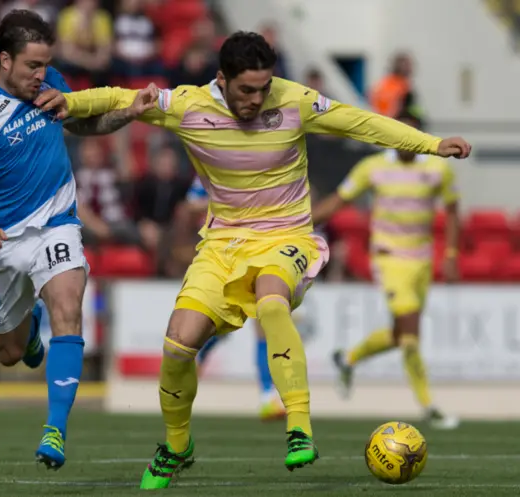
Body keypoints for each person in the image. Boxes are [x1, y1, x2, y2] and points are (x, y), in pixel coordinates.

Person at [34, 31, 472, 489]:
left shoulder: (295, 101)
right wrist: (69, 102)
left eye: (264, 88)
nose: (257, 99)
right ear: (221, 80)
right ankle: (177, 446)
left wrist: (431, 144)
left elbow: (360, 122)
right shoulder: (187, 104)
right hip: (223, 244)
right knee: (177, 345)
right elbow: (119, 96)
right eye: (247, 90)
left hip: (288, 236)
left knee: (271, 300)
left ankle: (298, 425)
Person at [0, 9, 156, 470]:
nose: (42, 76)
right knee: (11, 353)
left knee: (68, 308)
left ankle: (55, 429)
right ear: (4, 59)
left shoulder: (49, 85)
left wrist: (128, 112)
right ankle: (28, 330)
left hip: (57, 222)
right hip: (0, 239)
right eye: (32, 67)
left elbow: (81, 124)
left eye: (45, 66)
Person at [312, 111, 461, 430]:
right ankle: (428, 406)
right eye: (399, 133)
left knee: (400, 334)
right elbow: (339, 200)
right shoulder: (373, 167)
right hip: (389, 259)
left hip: (421, 260)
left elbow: (451, 211)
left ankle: (347, 358)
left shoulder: (437, 168)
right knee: (410, 336)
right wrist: (302, 221)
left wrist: (450, 253)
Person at [188, 176, 285, 421]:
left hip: (257, 249)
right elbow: (191, 204)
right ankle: (197, 354)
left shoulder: (267, 166)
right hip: (221, 253)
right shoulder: (212, 164)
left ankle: (267, 396)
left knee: (263, 321)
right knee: (223, 322)